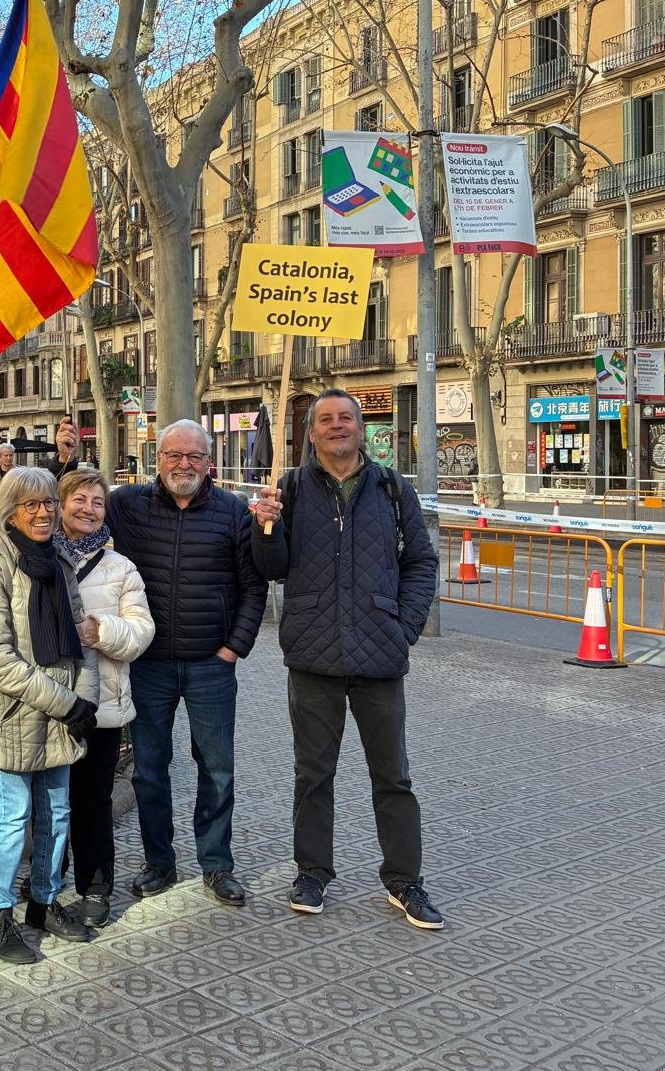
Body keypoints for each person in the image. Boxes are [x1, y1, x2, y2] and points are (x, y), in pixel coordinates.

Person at [252, 389, 443, 929]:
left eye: (346, 419)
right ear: (311, 433)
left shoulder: (391, 487)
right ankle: (312, 872)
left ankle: (405, 882)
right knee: (312, 775)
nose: (337, 427)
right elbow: (270, 567)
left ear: (362, 430)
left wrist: (402, 627)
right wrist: (263, 525)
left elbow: (421, 562)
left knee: (394, 776)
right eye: (326, 420)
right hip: (312, 654)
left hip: (380, 657)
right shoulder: (288, 487)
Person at [105, 418, 267, 907]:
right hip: (148, 665)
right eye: (174, 455)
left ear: (209, 460)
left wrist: (233, 648)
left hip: (210, 666)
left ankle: (216, 865)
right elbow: (78, 512)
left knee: (217, 769)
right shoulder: (126, 505)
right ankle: (159, 862)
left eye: (194, 456)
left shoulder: (232, 511)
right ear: (158, 459)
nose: (184, 464)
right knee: (150, 770)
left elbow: (253, 586)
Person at [0, 467, 99, 962]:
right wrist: (69, 702)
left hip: (62, 714)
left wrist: (83, 697)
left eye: (49, 502)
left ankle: (43, 903)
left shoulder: (60, 560)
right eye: (31, 504)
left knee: (58, 812)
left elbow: (81, 639)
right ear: (10, 510)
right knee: (13, 816)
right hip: (15, 713)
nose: (43, 512)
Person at [55, 468, 156, 926]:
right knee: (51, 798)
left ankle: (96, 886)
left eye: (98, 502)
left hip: (102, 706)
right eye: (79, 500)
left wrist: (101, 631)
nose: (88, 509)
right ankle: (46, 877)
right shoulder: (40, 557)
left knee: (93, 799)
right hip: (51, 700)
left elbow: (141, 631)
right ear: (60, 504)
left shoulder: (121, 569)